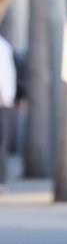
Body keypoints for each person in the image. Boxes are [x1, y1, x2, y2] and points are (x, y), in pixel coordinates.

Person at [0, 32, 18, 191]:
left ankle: (2, 179)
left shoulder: (3, 46)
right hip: (4, 101)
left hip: (5, 102)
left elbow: (8, 74)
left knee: (3, 142)